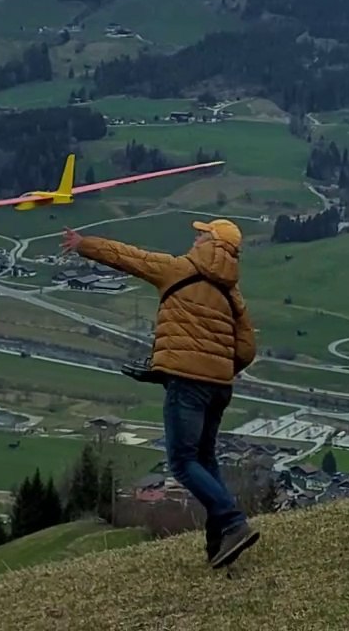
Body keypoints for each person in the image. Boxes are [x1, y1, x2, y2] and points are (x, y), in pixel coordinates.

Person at [61, 218, 260, 569]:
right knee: (205, 459)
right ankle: (220, 545)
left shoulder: (177, 269)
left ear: (210, 241)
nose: (195, 237)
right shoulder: (233, 293)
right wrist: (217, 366)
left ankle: (233, 521)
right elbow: (246, 349)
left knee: (183, 463)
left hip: (187, 384)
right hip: (220, 388)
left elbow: (128, 257)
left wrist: (84, 244)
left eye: (201, 233)